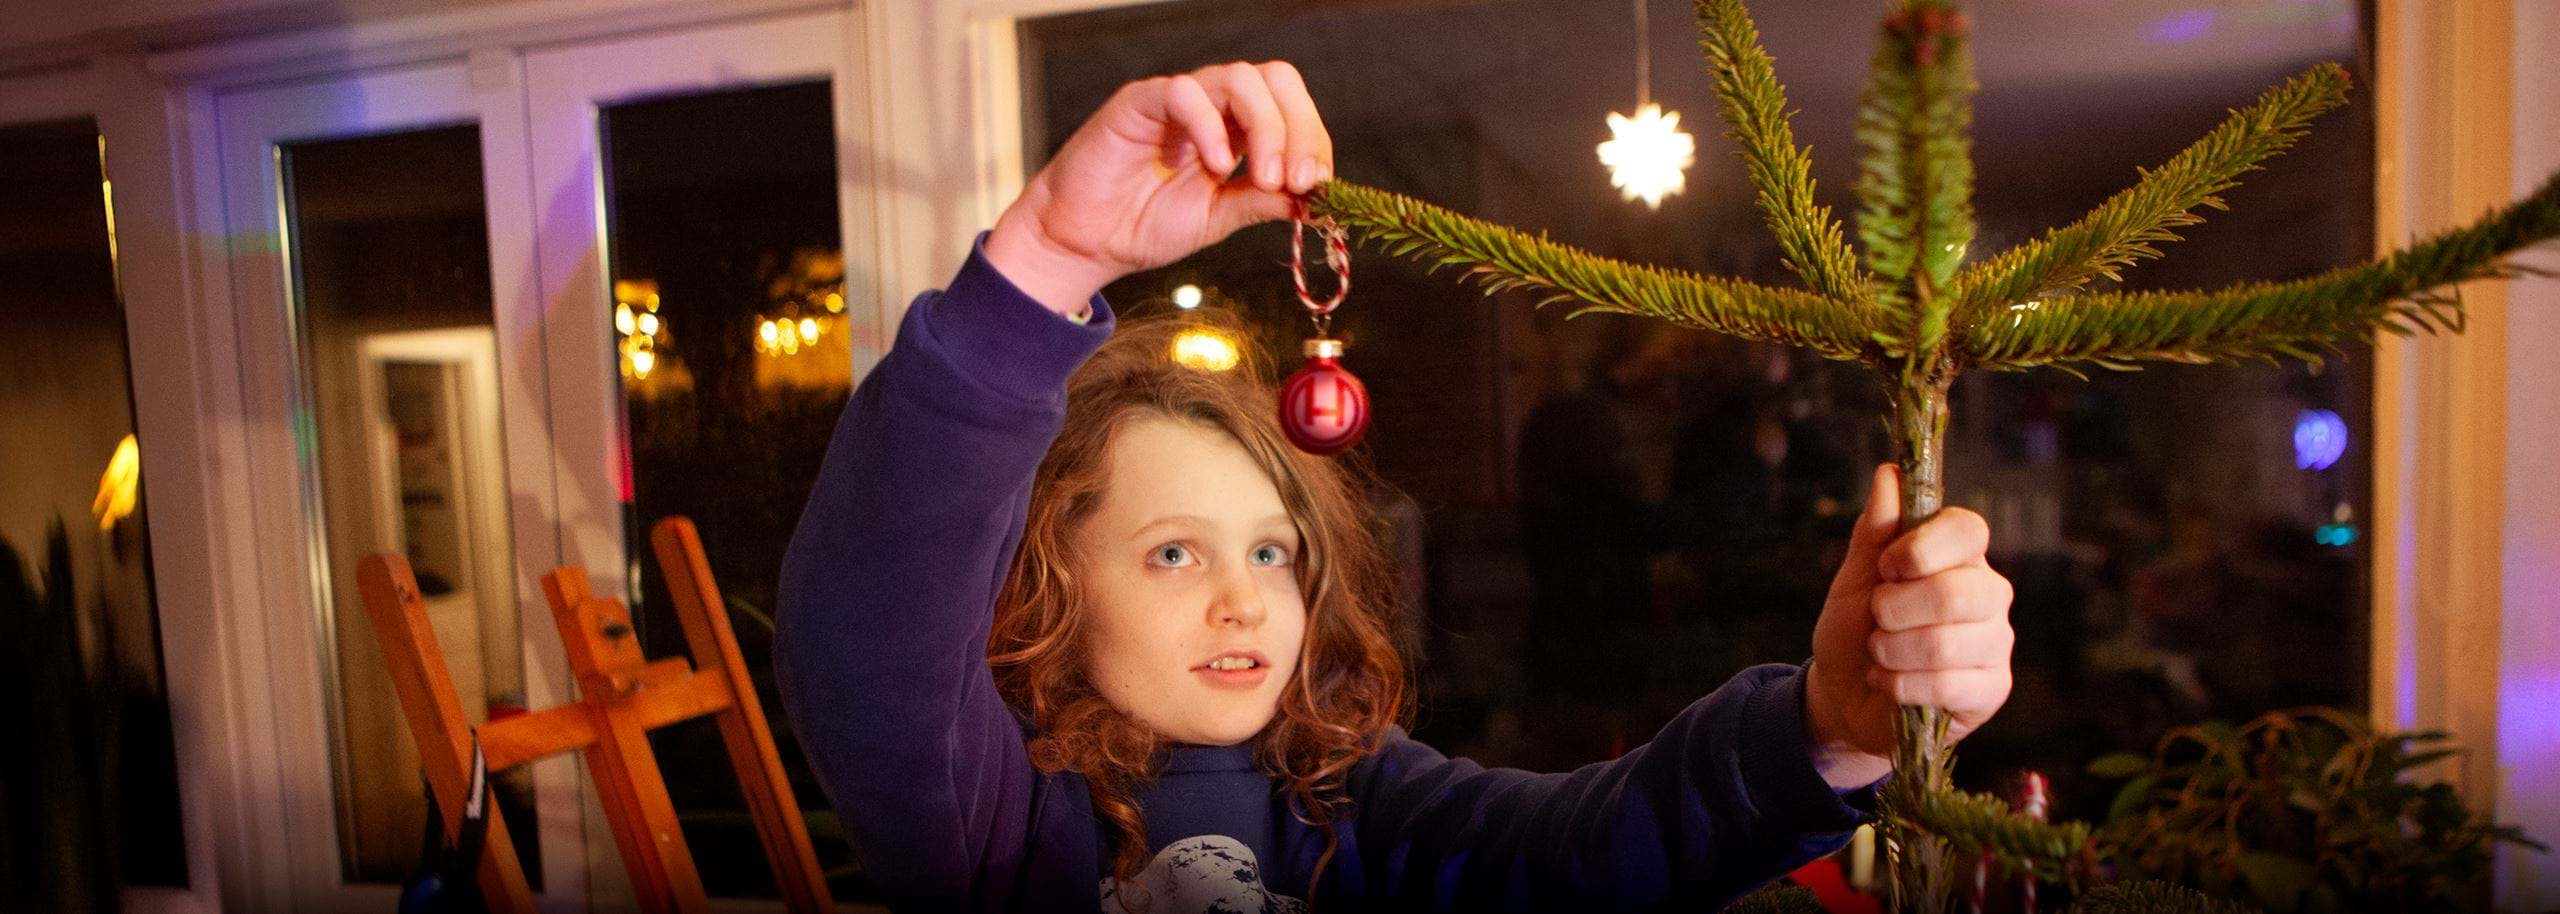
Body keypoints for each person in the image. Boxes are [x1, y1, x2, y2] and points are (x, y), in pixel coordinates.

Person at [774, 60, 2016, 913]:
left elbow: (1586, 850)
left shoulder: (1358, 789)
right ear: (1050, 591)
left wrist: (1824, 728)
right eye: (1171, 552)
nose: (1243, 601)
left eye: (1272, 552)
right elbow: (868, 629)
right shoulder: (992, 816)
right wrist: (1044, 259)